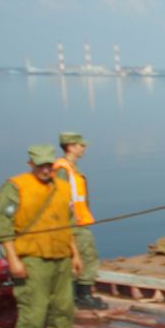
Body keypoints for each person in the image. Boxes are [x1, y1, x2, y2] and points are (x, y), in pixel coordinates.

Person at [0, 145, 82, 328]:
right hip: (33, 257)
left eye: (48, 165)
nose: (45, 170)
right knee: (34, 309)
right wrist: (13, 259)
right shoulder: (16, 187)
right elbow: (4, 227)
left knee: (63, 306)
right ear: (30, 164)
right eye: (40, 165)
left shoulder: (62, 187)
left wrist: (75, 254)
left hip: (60, 255)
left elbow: (69, 223)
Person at [53, 132, 105, 308]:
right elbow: (60, 197)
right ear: (70, 146)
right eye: (81, 145)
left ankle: (76, 295)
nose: (84, 148)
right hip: (73, 223)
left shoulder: (70, 168)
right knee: (87, 257)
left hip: (79, 220)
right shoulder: (63, 169)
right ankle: (82, 297)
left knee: (82, 256)